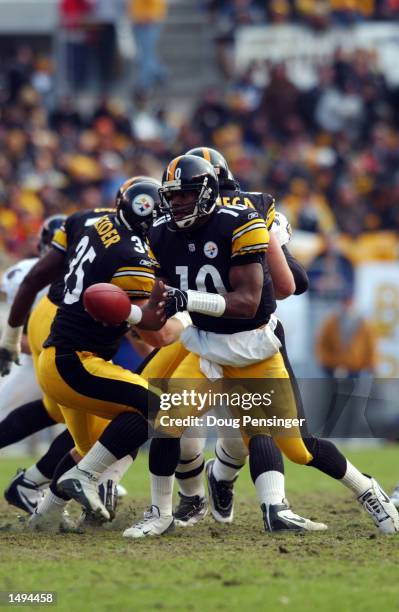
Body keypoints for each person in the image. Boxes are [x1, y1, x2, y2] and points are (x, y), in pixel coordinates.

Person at [123, 154, 398, 537]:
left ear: (206, 193)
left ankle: (367, 489)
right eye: (173, 196)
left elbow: (248, 301)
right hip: (205, 348)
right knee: (167, 425)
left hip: (254, 349)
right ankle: (160, 513)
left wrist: (188, 300)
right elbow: (158, 306)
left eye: (185, 195)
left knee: (299, 447)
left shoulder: (242, 222)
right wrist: (132, 315)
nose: (177, 204)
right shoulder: (162, 234)